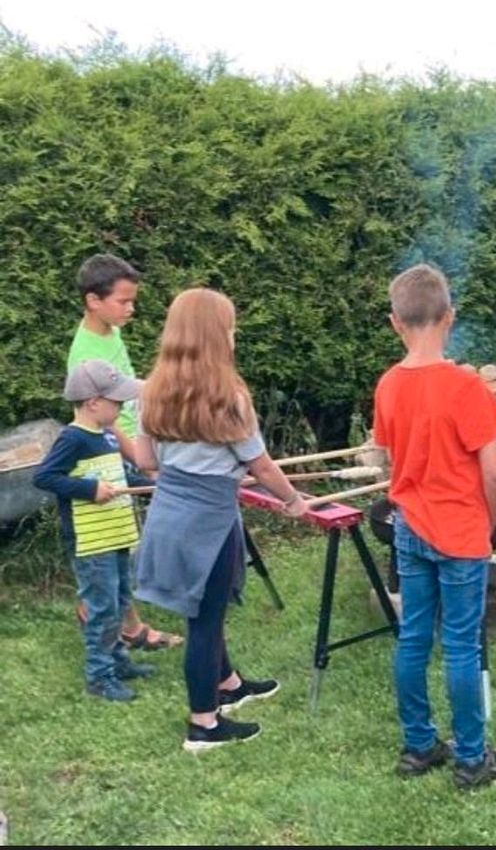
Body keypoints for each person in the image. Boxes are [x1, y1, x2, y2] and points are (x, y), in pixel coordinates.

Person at [132, 287, 311, 752]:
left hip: (171, 510)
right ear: (216, 336)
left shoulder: (153, 390)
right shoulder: (229, 396)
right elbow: (263, 466)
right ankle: (203, 725)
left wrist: (199, 472)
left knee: (208, 608)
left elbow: (146, 460)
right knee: (204, 621)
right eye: (230, 328)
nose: (234, 335)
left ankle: (228, 684)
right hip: (208, 518)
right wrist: (293, 502)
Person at [371, 262, 496, 789]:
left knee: (413, 636)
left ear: (396, 322)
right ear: (450, 317)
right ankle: (473, 759)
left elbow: (388, 460)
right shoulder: (464, 386)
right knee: (460, 645)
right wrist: (490, 519)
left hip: (409, 526)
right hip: (459, 532)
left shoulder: (388, 384)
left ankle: (418, 746)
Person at [68, 252, 183, 652]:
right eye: (123, 301)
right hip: (112, 453)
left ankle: (118, 616)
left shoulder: (109, 333)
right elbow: (107, 419)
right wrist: (141, 459)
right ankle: (116, 618)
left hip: (133, 444)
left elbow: (127, 388)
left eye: (133, 300)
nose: (131, 308)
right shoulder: (87, 353)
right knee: (118, 540)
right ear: (93, 300)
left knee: (126, 538)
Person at [33, 359, 158, 702]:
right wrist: (89, 490)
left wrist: (151, 485)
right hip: (92, 541)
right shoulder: (73, 438)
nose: (122, 406)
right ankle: (99, 677)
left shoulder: (105, 436)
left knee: (119, 600)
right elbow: (44, 477)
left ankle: (118, 662)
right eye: (117, 401)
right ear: (93, 402)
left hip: (116, 532)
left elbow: (118, 480)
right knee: (101, 607)